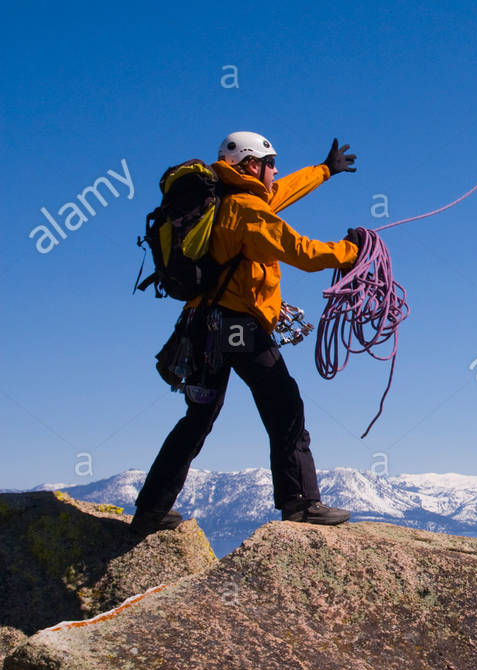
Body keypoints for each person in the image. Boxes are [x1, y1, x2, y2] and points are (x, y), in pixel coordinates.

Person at [131, 131, 361, 536]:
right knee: (285, 406)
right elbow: (301, 252)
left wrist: (324, 171)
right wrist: (350, 252)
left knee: (197, 418)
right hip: (238, 327)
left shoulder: (224, 200)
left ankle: (150, 510)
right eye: (270, 163)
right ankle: (301, 503)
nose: (276, 171)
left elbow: (282, 191)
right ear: (252, 166)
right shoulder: (247, 211)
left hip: (200, 329)